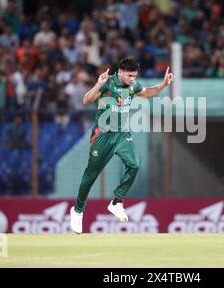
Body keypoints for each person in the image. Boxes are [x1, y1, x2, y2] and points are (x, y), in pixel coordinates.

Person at [69, 57, 174, 234]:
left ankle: (117, 202)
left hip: (122, 134)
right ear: (121, 72)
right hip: (102, 136)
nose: (133, 79)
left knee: (134, 164)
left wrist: (163, 84)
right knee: (91, 175)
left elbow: (147, 93)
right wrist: (97, 85)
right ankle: (77, 211)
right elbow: (86, 101)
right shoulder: (107, 83)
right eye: (130, 76)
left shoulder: (133, 86)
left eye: (135, 76)